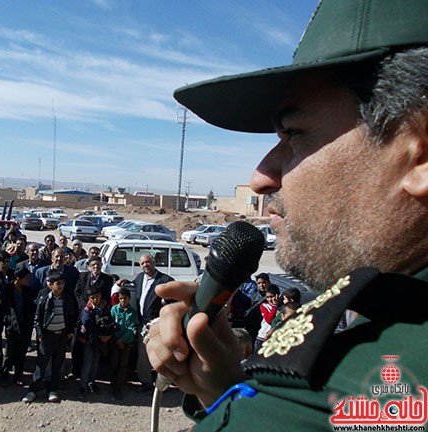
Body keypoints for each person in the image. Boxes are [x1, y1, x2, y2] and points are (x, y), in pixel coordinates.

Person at [145, 1, 428, 430]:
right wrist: (222, 387)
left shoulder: (322, 400)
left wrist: (245, 411)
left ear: (419, 151)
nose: (260, 177)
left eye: (293, 133)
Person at [22, 270, 78, 404]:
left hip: (62, 336)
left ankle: (52, 390)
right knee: (41, 365)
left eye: (62, 283)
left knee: (57, 365)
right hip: (47, 337)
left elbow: (72, 315)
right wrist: (40, 333)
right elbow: (37, 318)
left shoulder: (67, 298)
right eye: (58, 283)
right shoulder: (44, 297)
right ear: (50, 285)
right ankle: (33, 390)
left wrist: (70, 331)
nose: (61, 286)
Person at [121, 253, 173, 392]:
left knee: (161, 355)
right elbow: (132, 287)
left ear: (154, 263)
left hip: (158, 325)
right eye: (142, 263)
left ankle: (163, 384)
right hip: (143, 324)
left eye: (148, 262)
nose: (145, 265)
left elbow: (173, 299)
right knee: (143, 356)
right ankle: (146, 383)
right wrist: (122, 281)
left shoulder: (164, 280)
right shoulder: (139, 278)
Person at [0, 267, 32, 387]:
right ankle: (4, 375)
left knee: (21, 352)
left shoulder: (27, 290)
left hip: (24, 325)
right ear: (18, 278)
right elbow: (3, 308)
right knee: (9, 353)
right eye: (26, 278)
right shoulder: (7, 289)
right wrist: (7, 321)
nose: (28, 280)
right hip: (12, 326)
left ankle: (18, 375)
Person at [109, 287, 137, 400]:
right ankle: (113, 384)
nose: (123, 301)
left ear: (129, 299)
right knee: (114, 363)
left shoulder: (132, 312)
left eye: (125, 298)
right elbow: (110, 325)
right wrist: (117, 339)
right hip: (115, 342)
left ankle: (120, 385)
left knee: (123, 364)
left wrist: (123, 340)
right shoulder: (114, 310)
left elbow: (131, 328)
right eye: (120, 298)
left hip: (126, 342)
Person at [253, 284, 280, 351]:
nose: (270, 299)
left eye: (272, 296)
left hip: (274, 339)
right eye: (267, 297)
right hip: (262, 338)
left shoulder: (282, 307)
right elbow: (269, 320)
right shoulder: (264, 306)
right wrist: (274, 306)